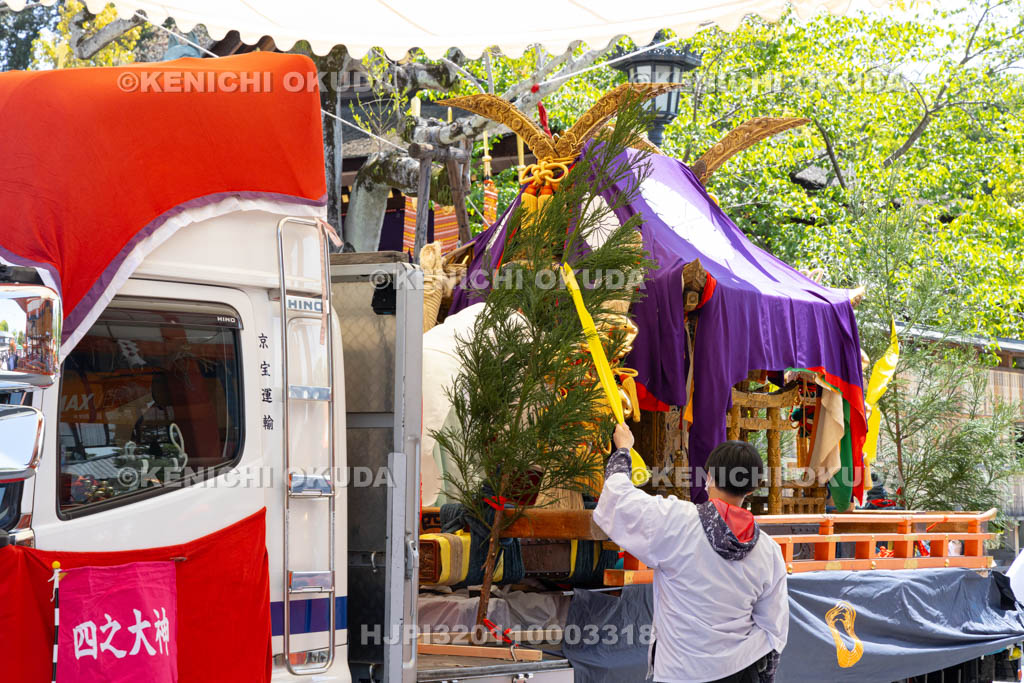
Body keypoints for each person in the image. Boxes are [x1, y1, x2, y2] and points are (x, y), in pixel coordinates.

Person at [594, 423, 788, 683]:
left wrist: (623, 450)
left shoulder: (675, 521)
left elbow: (618, 499)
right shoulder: (769, 550)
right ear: (752, 489)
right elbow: (773, 629)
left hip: (681, 671)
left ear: (709, 477)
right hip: (739, 669)